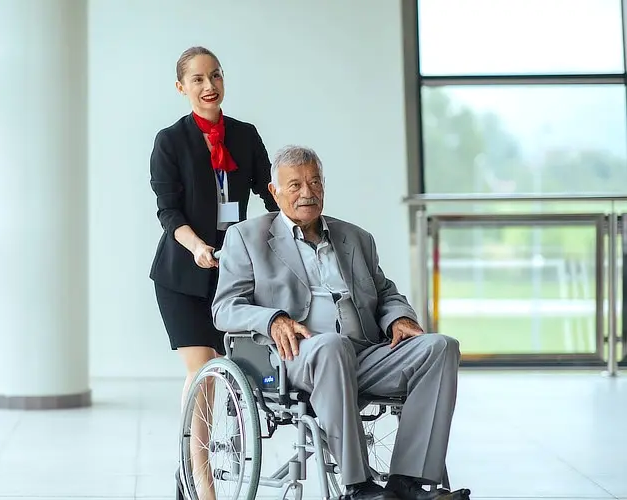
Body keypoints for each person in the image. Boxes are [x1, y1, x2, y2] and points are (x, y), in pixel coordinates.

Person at [211, 145, 472, 500]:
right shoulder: (247, 237)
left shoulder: (356, 238)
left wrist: (398, 317)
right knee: (332, 347)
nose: (308, 192)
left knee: (440, 347)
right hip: (297, 356)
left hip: (363, 351)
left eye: (315, 182)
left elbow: (386, 292)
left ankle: (407, 482)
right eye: (295, 185)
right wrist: (272, 319)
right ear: (274, 192)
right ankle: (358, 486)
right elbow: (225, 308)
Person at [148, 46, 279, 499]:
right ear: (182, 87)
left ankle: (196, 463)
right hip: (182, 274)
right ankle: (201, 483)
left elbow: (270, 194)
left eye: (216, 76)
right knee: (203, 369)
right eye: (199, 79)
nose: (210, 86)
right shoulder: (170, 141)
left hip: (232, 275)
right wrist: (199, 246)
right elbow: (168, 213)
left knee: (232, 374)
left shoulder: (244, 135)